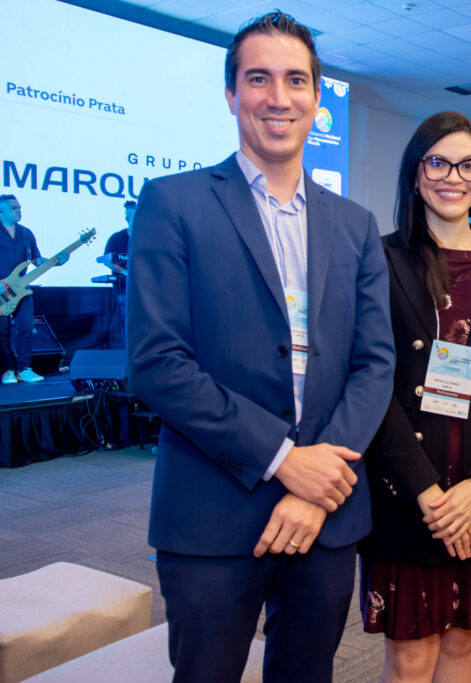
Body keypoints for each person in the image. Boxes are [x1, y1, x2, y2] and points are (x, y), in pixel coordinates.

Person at [126, 12, 395, 682]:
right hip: (214, 514)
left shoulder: (356, 225)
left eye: (296, 80)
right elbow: (158, 364)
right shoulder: (173, 202)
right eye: (259, 78)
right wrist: (283, 459)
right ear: (231, 94)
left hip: (327, 515)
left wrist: (314, 483)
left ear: (316, 95)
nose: (279, 96)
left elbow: (374, 364)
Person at [358, 112, 471, 682]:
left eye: (468, 164)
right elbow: (371, 382)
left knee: (461, 648)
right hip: (407, 490)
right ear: (415, 173)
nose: (453, 176)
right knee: (411, 657)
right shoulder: (378, 259)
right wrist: (431, 495)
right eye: (437, 162)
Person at [0, 194, 65, 384]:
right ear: (1, 211)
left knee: (26, 329)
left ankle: (24, 368)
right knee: (2, 331)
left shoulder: (26, 233)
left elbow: (36, 260)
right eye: (14, 208)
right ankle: (7, 370)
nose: (18, 210)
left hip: (22, 290)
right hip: (1, 291)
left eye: (19, 207)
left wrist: (56, 261)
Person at [102, 199, 136, 348]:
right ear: (126, 219)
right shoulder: (117, 238)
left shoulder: (149, 238)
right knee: (126, 319)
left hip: (146, 289)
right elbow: (107, 260)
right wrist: (124, 271)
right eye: (131, 217)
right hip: (124, 287)